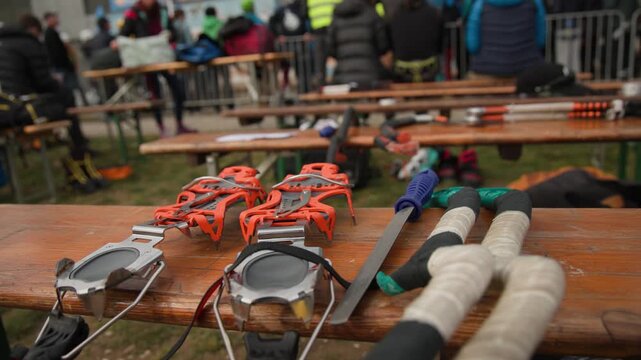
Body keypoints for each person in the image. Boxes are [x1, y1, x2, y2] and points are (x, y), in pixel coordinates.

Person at [0, 14, 105, 193]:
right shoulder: (29, 44)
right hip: (26, 107)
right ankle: (78, 151)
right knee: (66, 100)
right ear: (34, 29)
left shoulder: (4, 44)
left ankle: (78, 153)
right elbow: (43, 81)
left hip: (7, 110)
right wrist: (57, 85)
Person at [120, 0, 196, 137]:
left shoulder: (163, 11)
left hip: (165, 58)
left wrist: (170, 36)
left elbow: (173, 33)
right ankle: (161, 127)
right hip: (146, 61)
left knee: (178, 90)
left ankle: (179, 124)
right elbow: (124, 33)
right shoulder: (133, 13)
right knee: (155, 95)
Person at [466, 0, 547, 79]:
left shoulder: (480, 5)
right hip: (528, 70)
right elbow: (541, 40)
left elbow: (473, 46)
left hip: (485, 70)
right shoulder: (535, 2)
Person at [326, 0, 391, 87]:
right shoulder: (372, 13)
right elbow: (383, 46)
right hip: (371, 77)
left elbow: (330, 50)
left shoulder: (337, 16)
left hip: (343, 78)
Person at [389, 0, 444, 82]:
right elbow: (440, 45)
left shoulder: (394, 16)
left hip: (402, 73)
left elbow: (390, 45)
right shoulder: (434, 13)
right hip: (428, 70)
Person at [43, 12, 86, 104]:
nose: (57, 20)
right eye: (54, 18)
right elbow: (57, 53)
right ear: (49, 20)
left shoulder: (55, 32)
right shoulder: (50, 33)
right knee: (70, 88)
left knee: (73, 88)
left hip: (63, 67)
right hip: (61, 67)